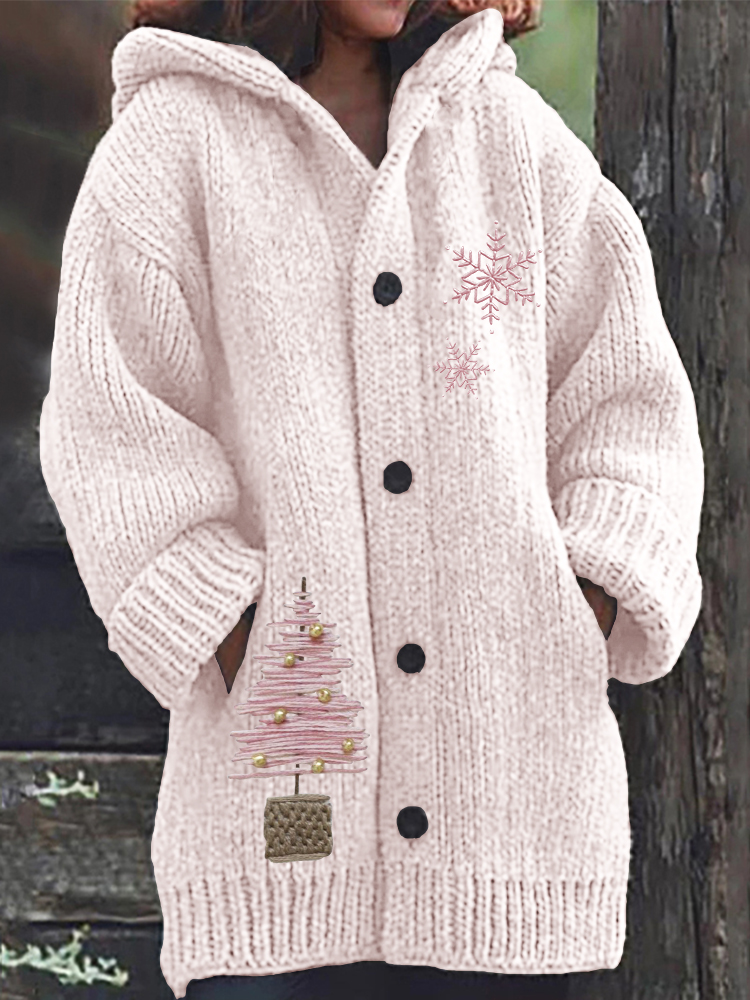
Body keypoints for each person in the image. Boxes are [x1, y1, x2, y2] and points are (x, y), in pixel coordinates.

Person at [37, 1, 704, 999]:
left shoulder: (516, 145)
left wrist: (579, 607)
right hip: (282, 796)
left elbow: (628, 406)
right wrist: (243, 640)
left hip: (508, 814)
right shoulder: (173, 148)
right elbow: (114, 429)